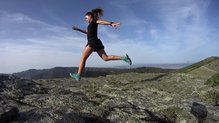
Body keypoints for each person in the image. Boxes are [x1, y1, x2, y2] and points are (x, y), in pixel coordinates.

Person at [70, 8, 132, 81]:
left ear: (90, 16)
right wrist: (78, 29)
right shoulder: (90, 25)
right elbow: (86, 31)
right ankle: (124, 58)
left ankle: (78, 75)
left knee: (83, 58)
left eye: (86, 18)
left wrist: (111, 23)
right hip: (96, 42)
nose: (85, 19)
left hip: (92, 42)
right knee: (105, 58)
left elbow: (101, 22)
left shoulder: (94, 21)